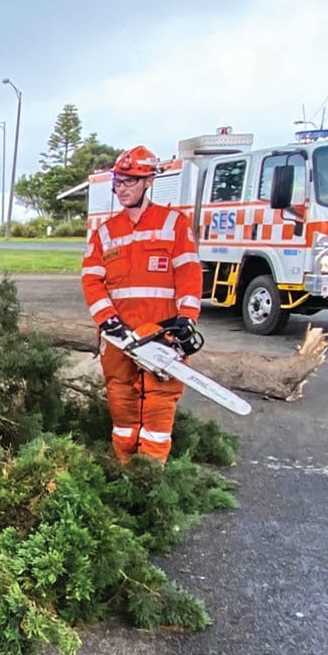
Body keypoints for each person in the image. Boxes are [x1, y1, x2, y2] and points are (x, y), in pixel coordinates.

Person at [80, 146, 203, 462]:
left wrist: (187, 319)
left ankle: (150, 476)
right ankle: (123, 470)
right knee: (121, 406)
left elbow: (189, 274)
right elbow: (91, 280)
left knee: (159, 409)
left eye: (129, 182)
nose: (122, 189)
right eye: (118, 182)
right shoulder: (105, 232)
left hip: (162, 332)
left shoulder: (173, 224)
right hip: (119, 336)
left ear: (148, 181)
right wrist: (107, 320)